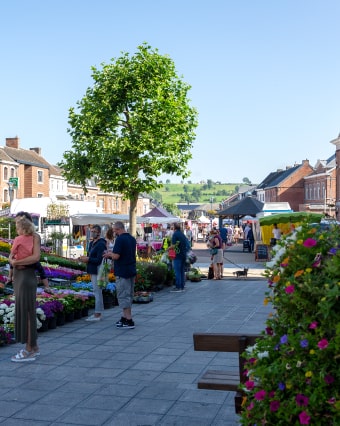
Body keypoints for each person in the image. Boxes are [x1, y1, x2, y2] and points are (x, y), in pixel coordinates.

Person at [10, 212, 43, 362]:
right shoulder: (21, 238)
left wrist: (15, 263)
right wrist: (12, 269)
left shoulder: (35, 237)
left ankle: (28, 350)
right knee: (26, 311)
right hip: (19, 276)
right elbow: (11, 257)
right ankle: (34, 348)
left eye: (20, 223)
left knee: (27, 313)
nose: (18, 226)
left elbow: (36, 258)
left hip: (26, 275)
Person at [103, 221, 136, 329]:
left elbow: (116, 256)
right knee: (129, 295)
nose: (114, 232)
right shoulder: (131, 238)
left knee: (123, 295)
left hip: (122, 271)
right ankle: (124, 317)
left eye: (114, 230)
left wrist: (109, 254)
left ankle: (129, 320)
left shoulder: (120, 239)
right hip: (131, 270)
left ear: (118, 229)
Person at [79, 225, 107, 322]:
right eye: (91, 231)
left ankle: (97, 314)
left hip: (97, 270)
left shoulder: (101, 244)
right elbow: (90, 256)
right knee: (96, 291)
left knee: (97, 291)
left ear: (99, 232)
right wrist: (85, 259)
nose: (92, 233)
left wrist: (88, 259)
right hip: (91, 269)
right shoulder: (91, 243)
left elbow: (99, 260)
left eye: (94, 231)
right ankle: (98, 311)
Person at [170, 223, 189, 292]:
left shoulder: (175, 234)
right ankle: (182, 286)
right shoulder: (182, 234)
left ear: (174, 227)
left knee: (177, 271)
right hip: (183, 254)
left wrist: (168, 249)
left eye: (172, 226)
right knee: (182, 271)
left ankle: (178, 286)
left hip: (177, 254)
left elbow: (173, 245)